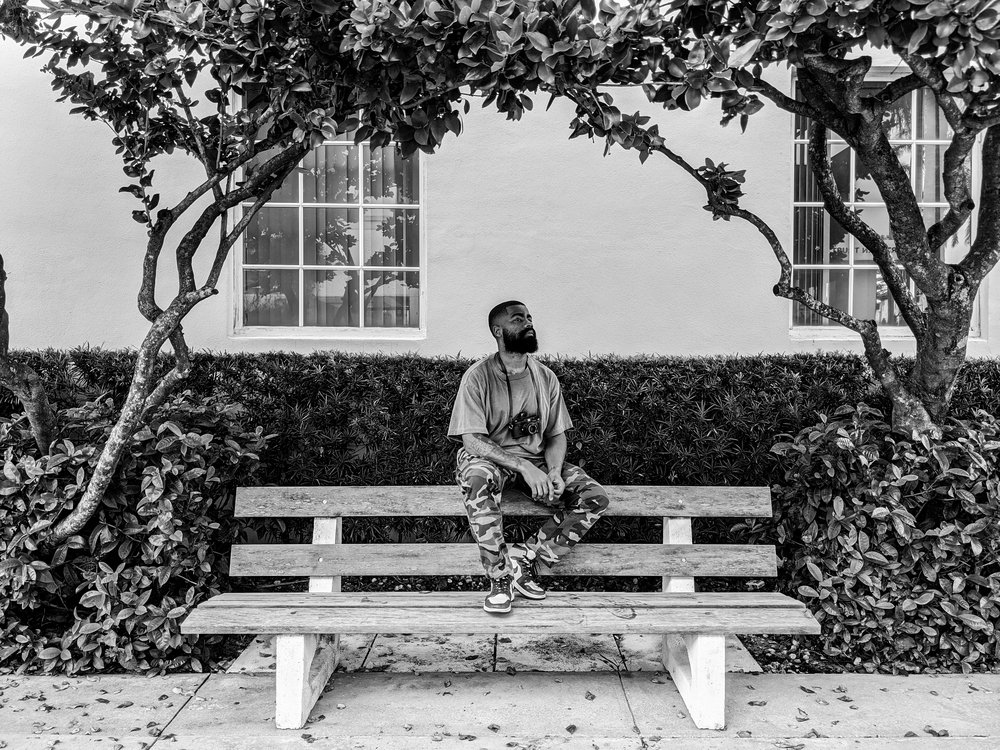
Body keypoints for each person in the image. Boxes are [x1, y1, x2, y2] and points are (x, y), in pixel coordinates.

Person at [447, 300, 611, 613]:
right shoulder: (478, 377)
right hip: (491, 461)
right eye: (517, 318)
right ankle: (499, 577)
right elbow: (472, 441)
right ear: (498, 331)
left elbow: (555, 435)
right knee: (477, 477)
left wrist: (552, 471)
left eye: (529, 317)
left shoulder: (546, 377)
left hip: (536, 461)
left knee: (594, 496)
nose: (527, 322)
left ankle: (527, 557)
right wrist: (523, 467)